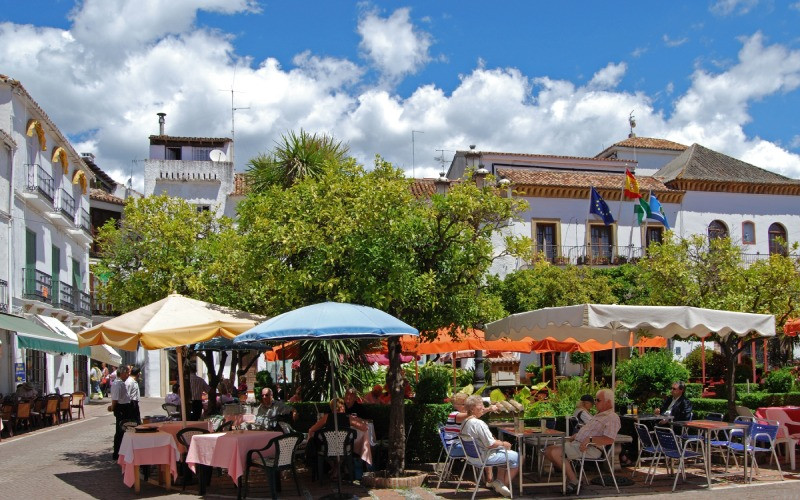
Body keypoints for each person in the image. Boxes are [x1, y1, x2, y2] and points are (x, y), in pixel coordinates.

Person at [544, 388, 620, 495]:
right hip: (579, 443)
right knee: (547, 450)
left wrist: (589, 439)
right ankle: (574, 479)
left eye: (598, 400)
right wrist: (577, 435)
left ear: (608, 402)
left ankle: (574, 481)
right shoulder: (599, 415)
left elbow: (609, 439)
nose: (595, 403)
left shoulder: (612, 417)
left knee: (554, 452)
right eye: (595, 400)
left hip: (592, 448)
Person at [460, 395, 518, 498]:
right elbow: (491, 444)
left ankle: (499, 482)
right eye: (480, 405)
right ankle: (502, 485)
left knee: (504, 453)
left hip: (472, 458)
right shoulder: (478, 423)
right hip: (484, 457)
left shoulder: (465, 422)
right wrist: (504, 444)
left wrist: (500, 444)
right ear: (472, 409)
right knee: (517, 457)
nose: (483, 407)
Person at [306, 397, 368, 480]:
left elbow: (312, 429)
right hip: (344, 448)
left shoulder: (326, 417)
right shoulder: (348, 417)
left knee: (322, 449)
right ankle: (339, 469)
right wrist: (355, 423)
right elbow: (364, 428)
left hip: (328, 448)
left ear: (332, 408)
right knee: (344, 450)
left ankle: (336, 469)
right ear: (342, 407)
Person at [108, 365, 132, 461]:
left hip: (125, 407)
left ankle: (123, 451)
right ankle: (117, 453)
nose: (128, 374)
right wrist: (112, 408)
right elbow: (115, 399)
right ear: (121, 373)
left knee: (124, 430)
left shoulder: (121, 383)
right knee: (120, 431)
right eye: (126, 372)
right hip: (121, 408)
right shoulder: (117, 384)